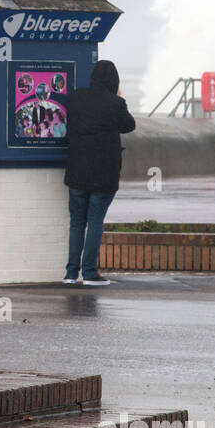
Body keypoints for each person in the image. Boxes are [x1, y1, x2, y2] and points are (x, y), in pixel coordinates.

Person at [63, 59, 135, 286]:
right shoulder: (115, 103)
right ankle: (90, 273)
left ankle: (71, 274)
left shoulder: (76, 98)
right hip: (103, 174)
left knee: (76, 222)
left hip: (76, 173)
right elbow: (129, 125)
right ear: (114, 80)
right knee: (95, 221)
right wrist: (119, 97)